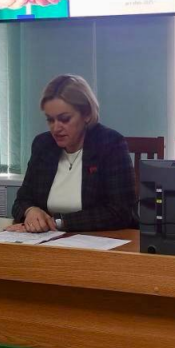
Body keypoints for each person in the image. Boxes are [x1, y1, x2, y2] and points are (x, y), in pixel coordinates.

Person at [9, 74, 135, 233]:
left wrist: (59, 222)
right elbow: (21, 200)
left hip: (101, 240)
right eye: (50, 120)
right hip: (48, 240)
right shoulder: (43, 145)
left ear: (86, 114)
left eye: (65, 119)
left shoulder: (110, 144)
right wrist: (30, 211)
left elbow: (120, 212)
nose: (56, 128)